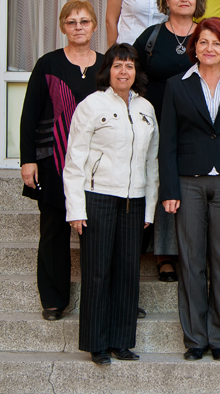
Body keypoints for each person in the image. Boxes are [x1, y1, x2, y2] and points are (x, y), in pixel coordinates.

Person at [159, 18, 220, 362]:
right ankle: (195, 339)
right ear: (194, 47)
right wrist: (169, 189)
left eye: (216, 43)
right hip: (188, 181)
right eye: (203, 42)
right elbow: (168, 142)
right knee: (191, 261)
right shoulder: (176, 85)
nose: (209, 48)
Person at [63, 43, 159, 366]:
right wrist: (76, 208)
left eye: (129, 66)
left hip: (134, 201)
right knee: (97, 273)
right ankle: (97, 344)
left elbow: (152, 162)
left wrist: (149, 208)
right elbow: (74, 159)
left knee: (128, 273)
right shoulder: (91, 105)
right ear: (107, 70)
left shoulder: (146, 108)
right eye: (117, 65)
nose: (123, 71)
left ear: (136, 72)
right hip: (98, 197)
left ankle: (122, 342)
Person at [20, 0, 104, 323]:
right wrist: (28, 160)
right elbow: (29, 114)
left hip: (97, 164)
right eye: (71, 22)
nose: (78, 27)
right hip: (53, 160)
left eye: (84, 21)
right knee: (54, 231)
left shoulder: (107, 65)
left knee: (95, 233)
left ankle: (101, 298)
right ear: (62, 27)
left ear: (94, 26)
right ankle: (54, 300)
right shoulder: (48, 64)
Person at [132, 0, 206, 283]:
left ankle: (193, 252)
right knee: (162, 182)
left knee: (192, 186)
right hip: (156, 124)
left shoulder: (206, 35)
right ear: (166, 0)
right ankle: (164, 255)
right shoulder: (151, 37)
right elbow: (131, 74)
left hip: (197, 125)